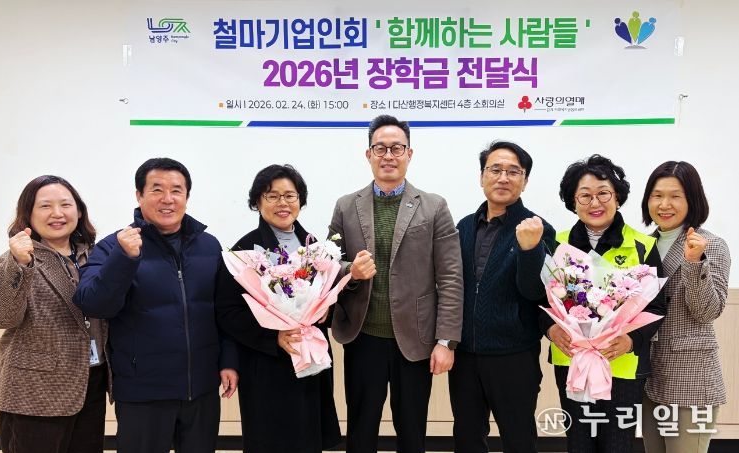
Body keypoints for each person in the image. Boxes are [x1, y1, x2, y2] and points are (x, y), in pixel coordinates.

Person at [73, 158, 238, 453]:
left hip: (201, 389)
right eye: (157, 189)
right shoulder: (115, 246)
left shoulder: (209, 245)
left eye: (176, 190)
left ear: (187, 196)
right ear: (139, 195)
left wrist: (228, 361)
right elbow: (93, 304)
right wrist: (124, 258)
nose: (167, 199)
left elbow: (222, 311)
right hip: (142, 392)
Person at [328, 114, 463, 453]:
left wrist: (446, 340)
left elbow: (450, 276)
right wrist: (350, 270)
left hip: (415, 340)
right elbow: (328, 264)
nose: (388, 155)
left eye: (396, 148)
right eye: (380, 148)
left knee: (412, 432)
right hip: (363, 337)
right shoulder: (346, 206)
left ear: (409, 154)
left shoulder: (434, 206)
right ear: (369, 154)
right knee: (361, 430)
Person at [542, 154, 667, 452]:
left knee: (617, 444)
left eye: (603, 194)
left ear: (618, 197)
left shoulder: (642, 245)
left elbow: (657, 307)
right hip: (572, 362)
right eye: (585, 195)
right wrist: (550, 330)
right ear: (573, 201)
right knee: (579, 443)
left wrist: (631, 340)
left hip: (622, 364)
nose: (594, 203)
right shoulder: (556, 243)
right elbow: (539, 299)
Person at [215, 164, 341, 453]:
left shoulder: (317, 248)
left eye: (290, 195)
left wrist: (326, 312)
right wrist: (274, 338)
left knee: (309, 438)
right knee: (270, 439)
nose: (282, 203)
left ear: (300, 200)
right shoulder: (244, 251)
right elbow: (227, 312)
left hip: (310, 359)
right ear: (257, 202)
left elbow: (331, 296)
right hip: (266, 363)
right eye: (272, 196)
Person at [0, 175, 108, 453]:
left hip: (90, 383)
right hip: (34, 391)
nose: (57, 213)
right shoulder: (16, 259)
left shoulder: (96, 256)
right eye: (45, 206)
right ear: (28, 214)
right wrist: (19, 264)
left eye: (66, 204)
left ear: (79, 211)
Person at [449, 142, 556, 453]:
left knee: (519, 439)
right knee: (467, 439)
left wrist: (529, 249)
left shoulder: (538, 228)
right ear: (482, 177)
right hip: (465, 355)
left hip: (514, 355)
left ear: (525, 180)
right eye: (495, 169)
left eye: (513, 171)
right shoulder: (464, 226)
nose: (503, 178)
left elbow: (536, 292)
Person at [641, 161, 730, 453]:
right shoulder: (641, 245)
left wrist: (694, 263)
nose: (664, 204)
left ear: (692, 199)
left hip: (690, 378)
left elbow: (707, 312)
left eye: (675, 196)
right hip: (650, 375)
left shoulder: (712, 245)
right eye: (657, 195)